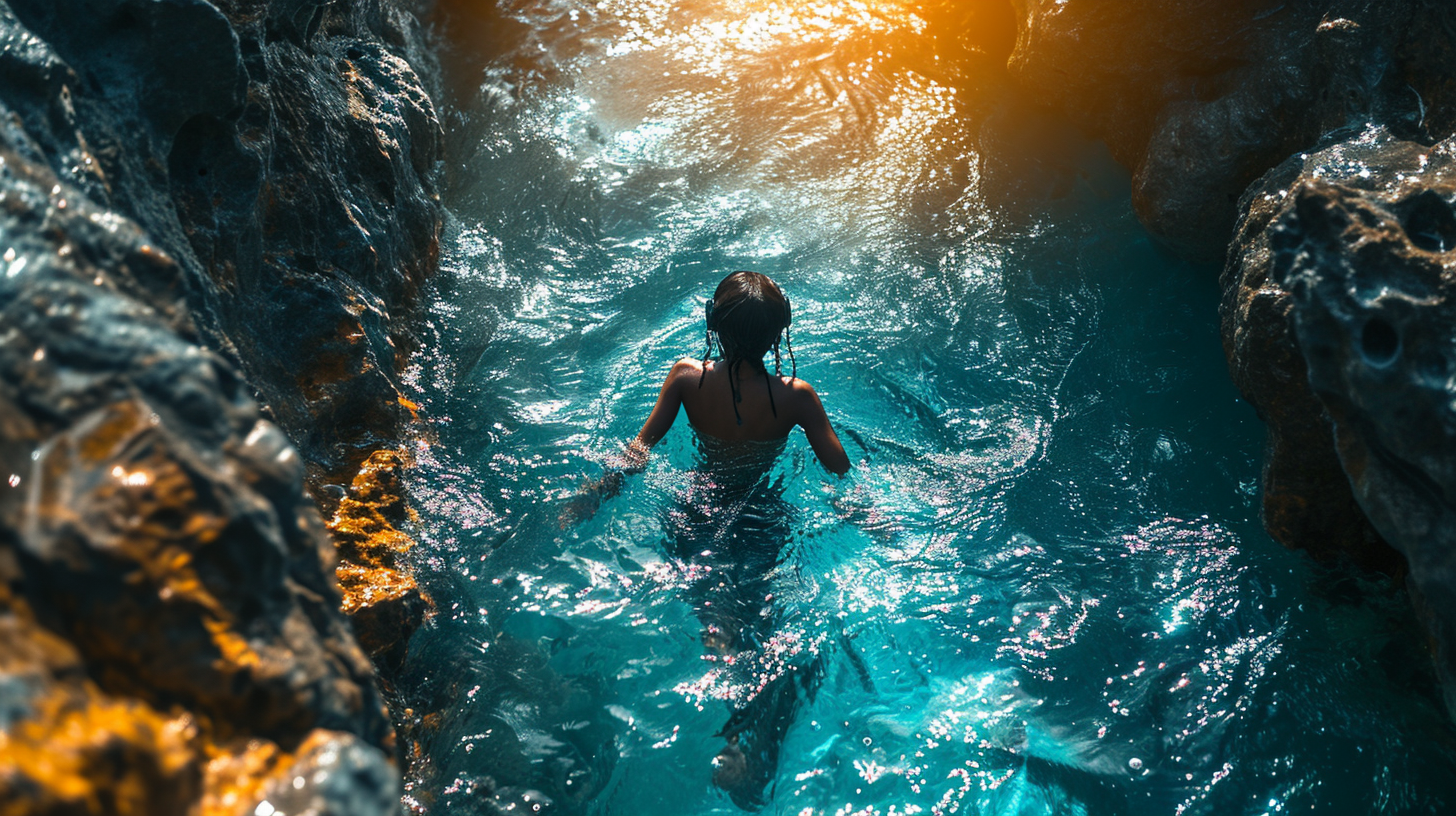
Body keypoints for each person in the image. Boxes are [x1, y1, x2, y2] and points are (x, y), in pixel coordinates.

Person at [563, 270, 850, 808]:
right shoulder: (797, 397)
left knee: (714, 617)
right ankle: (749, 731)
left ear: (714, 326)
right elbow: (837, 466)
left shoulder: (686, 379)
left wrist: (591, 495)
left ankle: (729, 706)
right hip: (763, 514)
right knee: (763, 619)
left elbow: (638, 451)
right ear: (779, 333)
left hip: (696, 510)